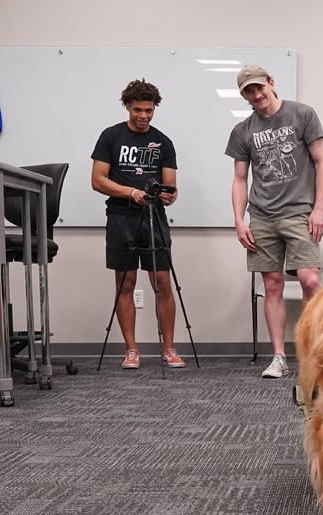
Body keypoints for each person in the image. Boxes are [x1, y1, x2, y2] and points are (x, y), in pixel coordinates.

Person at [226, 64, 323, 378]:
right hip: (262, 217)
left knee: (310, 280)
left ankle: (314, 352)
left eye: (259, 87)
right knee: (272, 285)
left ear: (271, 83)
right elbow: (240, 179)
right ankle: (279, 357)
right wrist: (239, 220)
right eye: (248, 91)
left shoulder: (302, 114)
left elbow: (322, 162)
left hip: (299, 212)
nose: (256, 95)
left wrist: (319, 208)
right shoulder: (243, 131)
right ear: (244, 96)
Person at [91, 79, 183, 370]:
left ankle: (169, 349)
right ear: (127, 107)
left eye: (149, 110)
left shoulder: (163, 142)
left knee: (162, 282)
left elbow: (171, 185)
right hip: (121, 217)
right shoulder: (111, 136)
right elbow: (98, 180)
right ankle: (131, 350)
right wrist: (131, 192)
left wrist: (170, 195)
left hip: (154, 217)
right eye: (138, 110)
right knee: (125, 283)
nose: (144, 116)